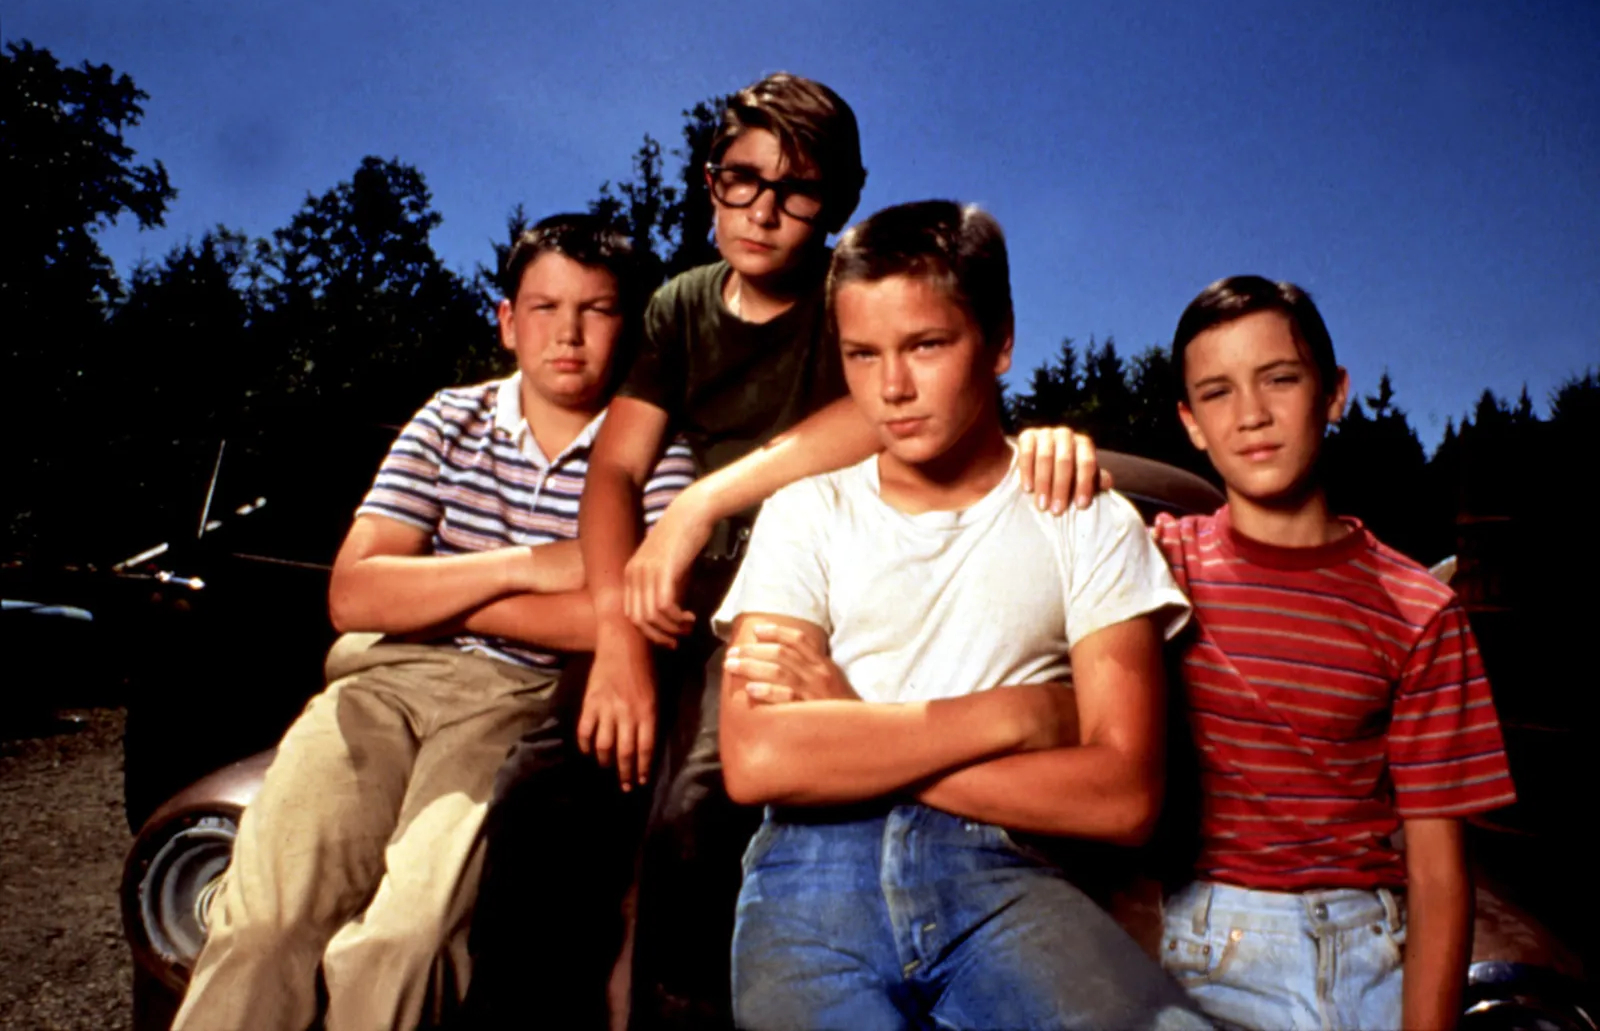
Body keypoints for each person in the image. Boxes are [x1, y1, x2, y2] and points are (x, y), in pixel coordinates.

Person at [462, 74, 1097, 1029]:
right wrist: (619, 643)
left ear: (839, 203)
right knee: (539, 789)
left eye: (797, 190)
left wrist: (708, 498)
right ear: (710, 182)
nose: (763, 210)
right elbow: (613, 478)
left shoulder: (851, 300)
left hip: (783, 598)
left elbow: (876, 419)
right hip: (665, 596)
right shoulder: (679, 306)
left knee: (699, 814)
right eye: (740, 179)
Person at [171, 214, 695, 1031]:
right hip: (383, 681)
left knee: (407, 940)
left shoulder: (656, 455)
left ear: (629, 324)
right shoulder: (450, 419)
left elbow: (628, 614)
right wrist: (525, 562)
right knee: (264, 923)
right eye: (545, 307)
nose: (569, 333)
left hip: (516, 698)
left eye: (597, 309)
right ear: (507, 320)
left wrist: (435, 590)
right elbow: (355, 594)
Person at [714, 199, 1211, 1031]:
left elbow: (1123, 796)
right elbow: (761, 758)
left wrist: (851, 724)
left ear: (1001, 341)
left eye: (926, 345)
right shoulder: (806, 514)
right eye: (861, 354)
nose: (891, 388)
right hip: (809, 879)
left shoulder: (1084, 514)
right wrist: (1025, 714)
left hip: (1004, 873)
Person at [1150, 275, 1517, 1031]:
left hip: (1379, 946)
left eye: (1279, 379)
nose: (1251, 414)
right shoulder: (1158, 566)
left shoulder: (1420, 608)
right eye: (1217, 393)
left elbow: (1441, 872)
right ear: (1190, 422)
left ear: (1335, 392)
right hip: (1213, 949)